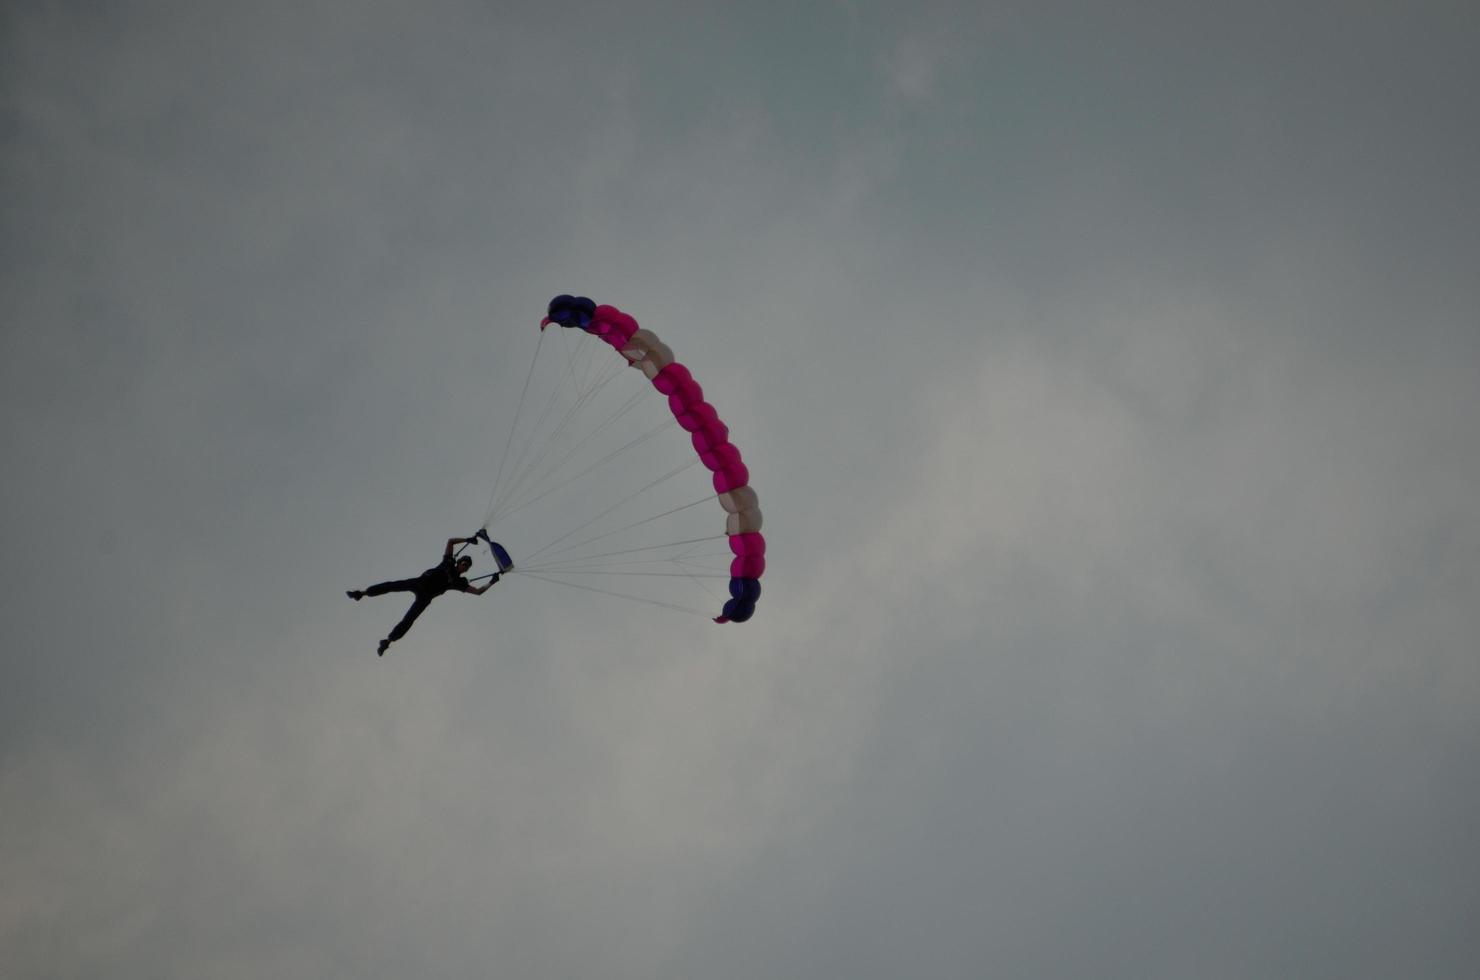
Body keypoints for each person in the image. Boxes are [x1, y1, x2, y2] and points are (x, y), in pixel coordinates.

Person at [348, 537, 498, 656]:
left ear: (466, 570)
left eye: (466, 566)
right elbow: (451, 541)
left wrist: (492, 582)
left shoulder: (459, 582)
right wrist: (468, 539)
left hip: (425, 597)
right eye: (463, 563)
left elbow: (478, 592)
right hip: (419, 583)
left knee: (409, 619)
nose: (464, 566)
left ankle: (387, 641)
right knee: (391, 585)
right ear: (459, 562)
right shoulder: (448, 562)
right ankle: (361, 593)